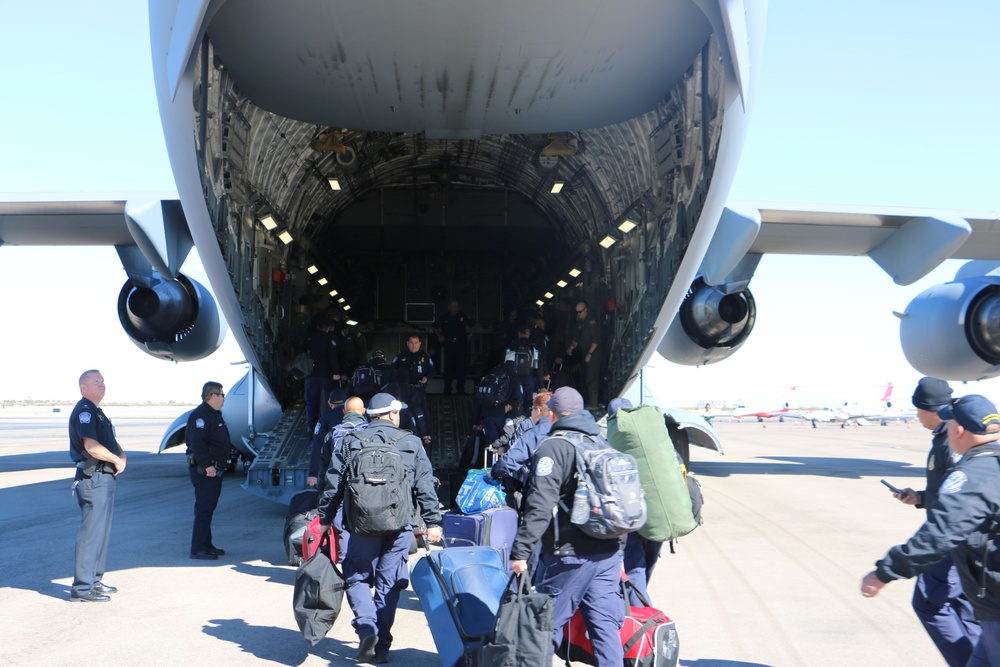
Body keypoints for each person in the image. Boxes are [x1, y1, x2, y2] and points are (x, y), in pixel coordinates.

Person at [861, 395, 1000, 667]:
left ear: (958, 430)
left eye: (949, 423)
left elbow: (937, 536)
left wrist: (883, 573)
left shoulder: (973, 475)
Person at [318, 392, 443, 664]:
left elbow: (333, 485)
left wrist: (325, 518)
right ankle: (381, 648)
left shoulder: (351, 441)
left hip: (361, 526)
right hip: (399, 526)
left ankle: (366, 628)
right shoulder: (411, 441)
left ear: (368, 415)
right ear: (393, 414)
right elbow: (425, 484)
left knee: (357, 578)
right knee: (389, 584)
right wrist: (433, 522)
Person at [510, 386, 625, 666]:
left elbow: (539, 506)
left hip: (571, 555)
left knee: (543, 627)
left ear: (552, 414)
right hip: (609, 553)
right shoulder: (601, 442)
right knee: (604, 628)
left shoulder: (555, 446)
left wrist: (521, 551)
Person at [890, 378, 981, 667]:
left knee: (930, 602)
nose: (916, 417)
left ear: (928, 409)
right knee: (963, 606)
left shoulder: (950, 441)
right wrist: (919, 497)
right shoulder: (950, 435)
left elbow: (963, 497)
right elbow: (950, 492)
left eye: (917, 410)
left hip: (953, 537)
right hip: (962, 535)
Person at [69, 370, 126, 602]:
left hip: (105, 477)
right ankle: (82, 589)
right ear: (84, 387)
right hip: (93, 478)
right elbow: (91, 446)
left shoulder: (97, 413)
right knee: (91, 534)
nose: (102, 384)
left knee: (101, 532)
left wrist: (121, 455)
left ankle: (95, 580)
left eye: (103, 381)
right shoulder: (84, 411)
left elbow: (109, 441)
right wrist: (115, 460)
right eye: (96, 381)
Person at [186, 381, 232, 560]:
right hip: (206, 471)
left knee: (208, 508)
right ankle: (198, 548)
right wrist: (207, 465)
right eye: (222, 394)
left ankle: (206, 544)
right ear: (213, 396)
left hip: (213, 469)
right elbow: (197, 443)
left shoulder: (213, 414)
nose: (223, 398)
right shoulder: (201, 416)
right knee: (204, 509)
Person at [392, 335, 435, 443]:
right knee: (403, 411)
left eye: (416, 343)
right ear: (407, 343)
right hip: (403, 390)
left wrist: (426, 378)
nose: (413, 345)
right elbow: (392, 370)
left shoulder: (425, 356)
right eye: (411, 343)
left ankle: (426, 434)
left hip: (418, 389)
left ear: (420, 344)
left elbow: (432, 371)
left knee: (422, 411)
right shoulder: (401, 355)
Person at [305, 315, 342, 433]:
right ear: (328, 328)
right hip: (325, 375)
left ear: (317, 327)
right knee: (327, 402)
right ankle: (325, 426)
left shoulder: (309, 339)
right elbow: (333, 357)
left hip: (310, 375)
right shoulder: (329, 340)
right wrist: (336, 372)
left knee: (311, 402)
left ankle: (311, 427)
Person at [306, 389, 347, 489]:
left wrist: (313, 474)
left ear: (329, 403)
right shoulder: (358, 419)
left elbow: (317, 445)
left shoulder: (324, 420)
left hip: (331, 468)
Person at [433, 300, 475, 395]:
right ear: (449, 307)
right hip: (449, 345)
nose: (455, 308)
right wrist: (439, 336)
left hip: (461, 344)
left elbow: (472, 324)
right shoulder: (444, 317)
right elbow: (434, 326)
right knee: (448, 368)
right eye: (453, 306)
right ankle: (447, 389)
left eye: (456, 306)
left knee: (461, 367)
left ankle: (460, 389)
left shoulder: (463, 316)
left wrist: (470, 335)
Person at [504, 323, 546, 415]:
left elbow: (507, 365)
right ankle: (526, 418)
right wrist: (541, 386)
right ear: (528, 334)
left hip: (514, 379)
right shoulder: (533, 347)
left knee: (514, 402)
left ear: (519, 333)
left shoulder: (512, 346)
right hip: (529, 379)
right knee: (528, 403)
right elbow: (538, 368)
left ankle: (515, 420)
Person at [566, 301, 601, 408]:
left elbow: (596, 340)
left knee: (591, 378)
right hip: (585, 353)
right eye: (577, 312)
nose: (578, 314)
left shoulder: (591, 321)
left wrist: (590, 354)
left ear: (585, 309)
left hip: (593, 354)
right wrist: (570, 348)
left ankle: (593, 403)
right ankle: (586, 401)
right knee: (584, 378)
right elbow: (577, 338)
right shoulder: (581, 323)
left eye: (580, 311)